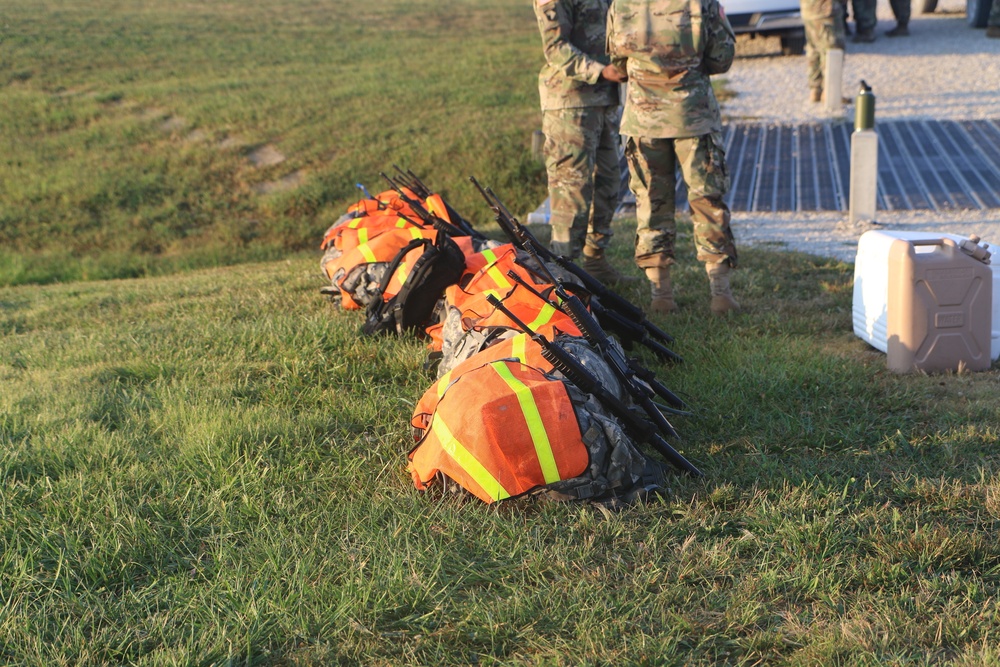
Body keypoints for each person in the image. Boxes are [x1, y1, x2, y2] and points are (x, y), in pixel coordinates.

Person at [606, 0, 740, 315]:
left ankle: (660, 296)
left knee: (651, 202)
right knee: (707, 200)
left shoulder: (622, 4)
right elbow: (722, 57)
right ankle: (720, 294)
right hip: (692, 116)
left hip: (644, 119)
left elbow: (616, 60)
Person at [533, 0, 631, 283]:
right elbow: (555, 48)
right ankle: (561, 273)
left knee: (608, 184)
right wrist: (600, 71)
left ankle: (595, 260)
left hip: (603, 101)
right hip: (570, 102)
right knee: (571, 189)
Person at [802, 0, 847, 103]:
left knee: (814, 49)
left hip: (808, 9)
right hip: (826, 10)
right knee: (833, 50)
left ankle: (815, 89)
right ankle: (830, 93)